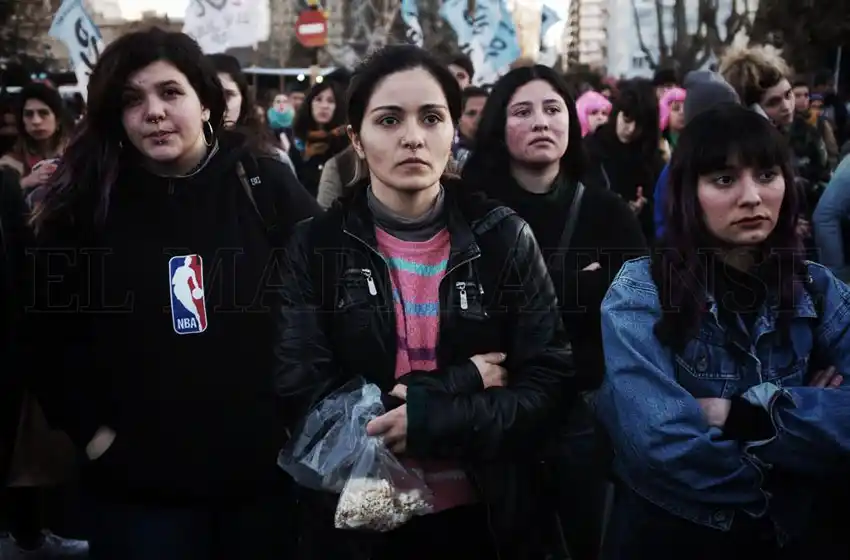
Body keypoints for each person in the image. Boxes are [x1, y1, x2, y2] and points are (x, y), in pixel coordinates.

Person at [26, 28, 321, 560]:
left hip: (260, 480)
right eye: (132, 100)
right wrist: (94, 435)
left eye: (170, 92)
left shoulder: (265, 187)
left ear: (206, 102)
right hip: (139, 493)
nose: (154, 112)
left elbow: (328, 299)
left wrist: (294, 420)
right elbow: (49, 335)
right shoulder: (86, 205)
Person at [276, 44, 575, 559]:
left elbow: (549, 383)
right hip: (361, 519)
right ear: (357, 139)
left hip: (485, 519)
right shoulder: (315, 245)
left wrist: (436, 420)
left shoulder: (502, 237)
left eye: (431, 118)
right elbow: (305, 397)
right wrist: (463, 380)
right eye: (389, 120)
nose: (412, 137)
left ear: (453, 132)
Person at [597, 103, 850, 559]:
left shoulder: (818, 286)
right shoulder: (640, 292)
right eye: (724, 180)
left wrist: (737, 415)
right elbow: (661, 445)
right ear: (687, 194)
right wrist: (799, 467)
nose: (752, 197)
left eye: (767, 175)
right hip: (679, 536)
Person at [462, 64, 647, 559]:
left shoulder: (607, 214)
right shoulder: (469, 213)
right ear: (500, 124)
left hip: (582, 419)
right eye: (522, 111)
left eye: (553, 108)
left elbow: (640, 321)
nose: (541, 121)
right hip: (497, 419)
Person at [584, 78, 664, 243]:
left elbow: (663, 216)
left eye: (639, 124)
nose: (631, 129)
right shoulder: (590, 150)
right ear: (617, 113)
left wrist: (645, 208)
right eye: (627, 119)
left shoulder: (651, 160)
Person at [207, 54, 296, 174]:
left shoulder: (271, 159)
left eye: (228, 95)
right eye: (212, 94)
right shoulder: (178, 161)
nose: (221, 105)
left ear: (242, 100)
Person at [0, 84, 72, 198]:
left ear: (57, 120)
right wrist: (25, 183)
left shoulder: (76, 153)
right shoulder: (10, 163)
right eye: (29, 114)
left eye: (43, 113)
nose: (36, 121)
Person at [288, 81, 348, 197]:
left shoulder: (345, 141)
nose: (324, 106)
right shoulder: (299, 139)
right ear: (310, 103)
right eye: (318, 99)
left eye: (330, 101)